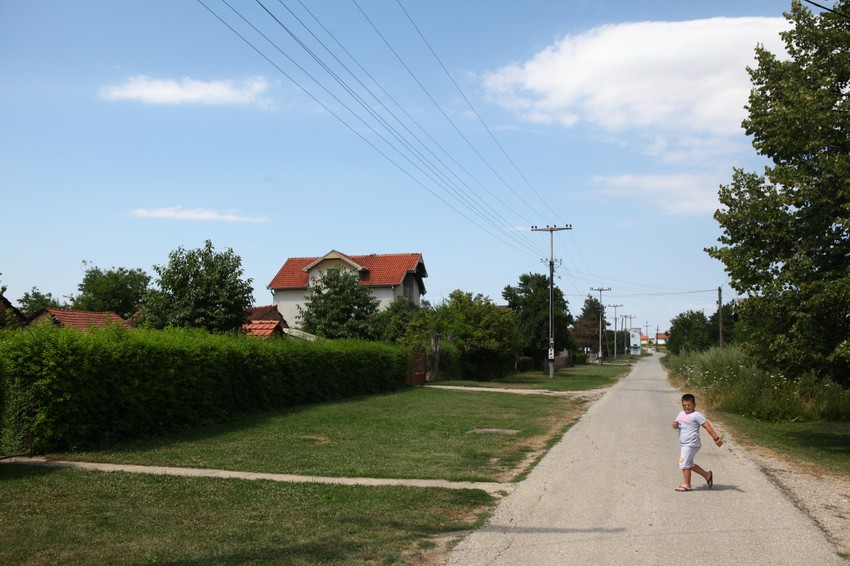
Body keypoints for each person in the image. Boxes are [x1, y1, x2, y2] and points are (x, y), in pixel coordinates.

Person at [672, 393, 723, 491]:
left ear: (694, 405)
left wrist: (716, 438)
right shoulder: (681, 413)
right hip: (684, 444)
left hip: (692, 444)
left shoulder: (696, 415)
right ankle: (707, 475)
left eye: (689, 405)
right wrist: (674, 425)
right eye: (684, 405)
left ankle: (687, 485)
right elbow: (676, 424)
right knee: (689, 464)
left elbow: (707, 426)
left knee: (684, 464)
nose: (686, 407)